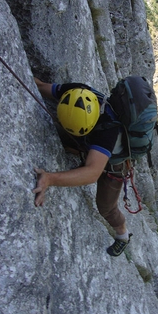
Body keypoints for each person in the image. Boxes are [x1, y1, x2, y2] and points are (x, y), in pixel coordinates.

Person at [33, 77, 133, 257]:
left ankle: (123, 236)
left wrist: (50, 178)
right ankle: (83, 147)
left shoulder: (108, 129)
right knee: (62, 136)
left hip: (114, 165)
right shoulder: (75, 91)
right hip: (90, 144)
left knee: (106, 207)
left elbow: (92, 174)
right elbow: (40, 86)